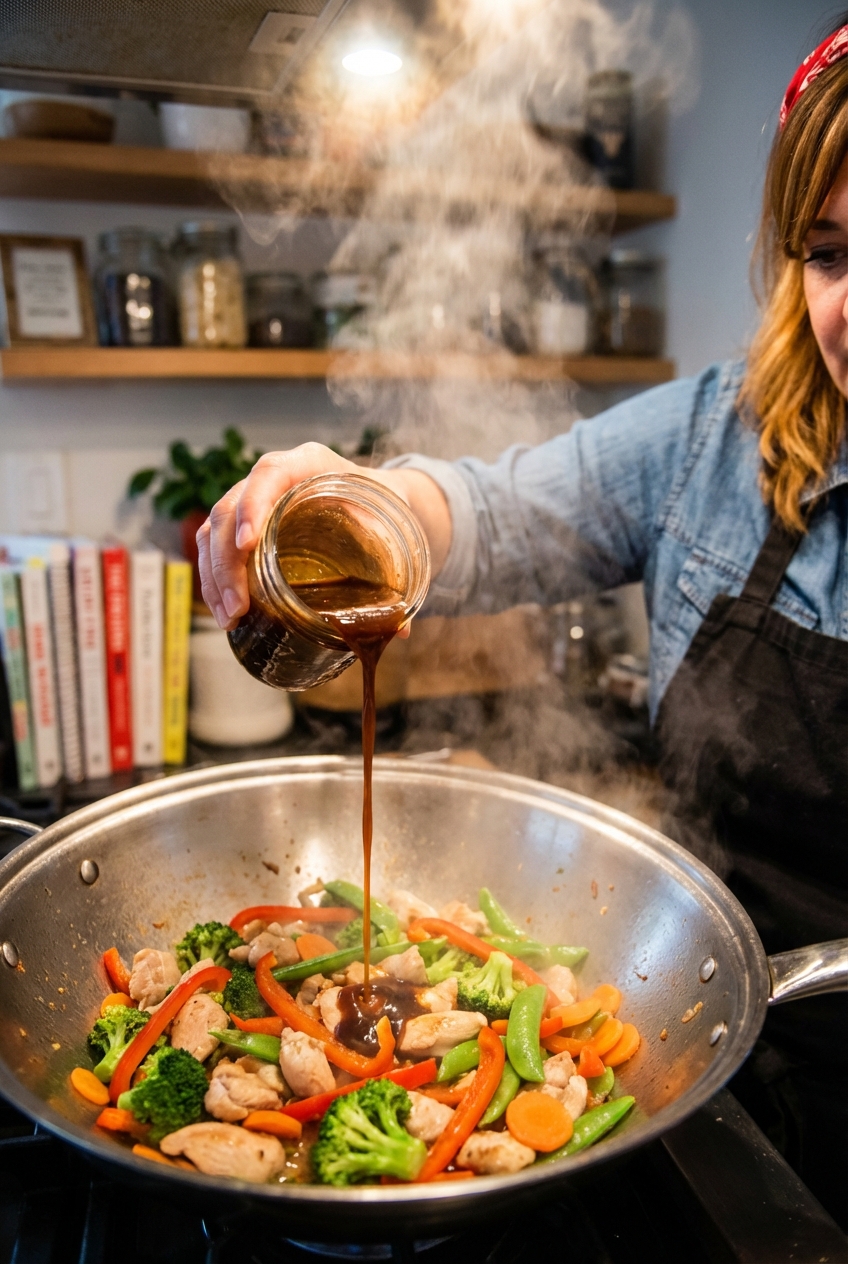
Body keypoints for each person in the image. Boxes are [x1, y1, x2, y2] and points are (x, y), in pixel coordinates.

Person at [199, 26, 848, 1223]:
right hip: (687, 1025)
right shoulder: (719, 434)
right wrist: (367, 499)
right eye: (827, 253)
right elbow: (494, 513)